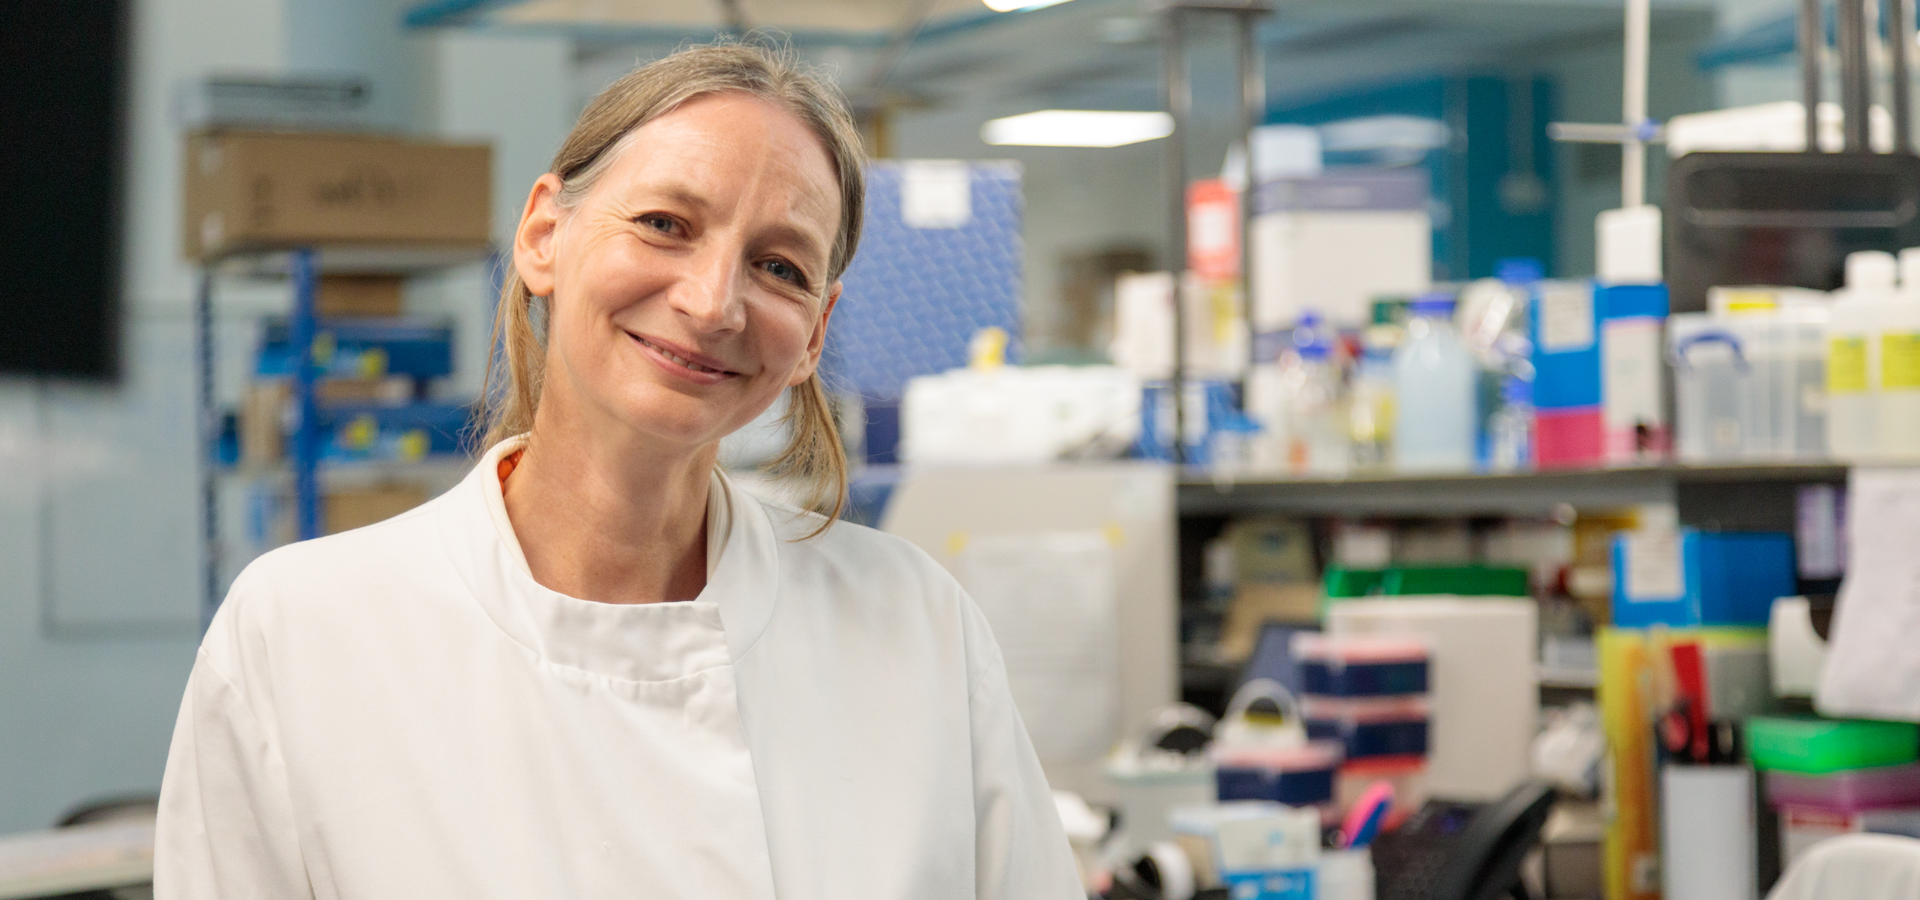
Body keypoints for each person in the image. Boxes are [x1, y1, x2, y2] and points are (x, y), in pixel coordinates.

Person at [154, 41, 1081, 900]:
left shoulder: (918, 627)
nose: (714, 302)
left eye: (780, 267)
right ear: (543, 236)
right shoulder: (302, 634)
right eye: (665, 223)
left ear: (815, 337)